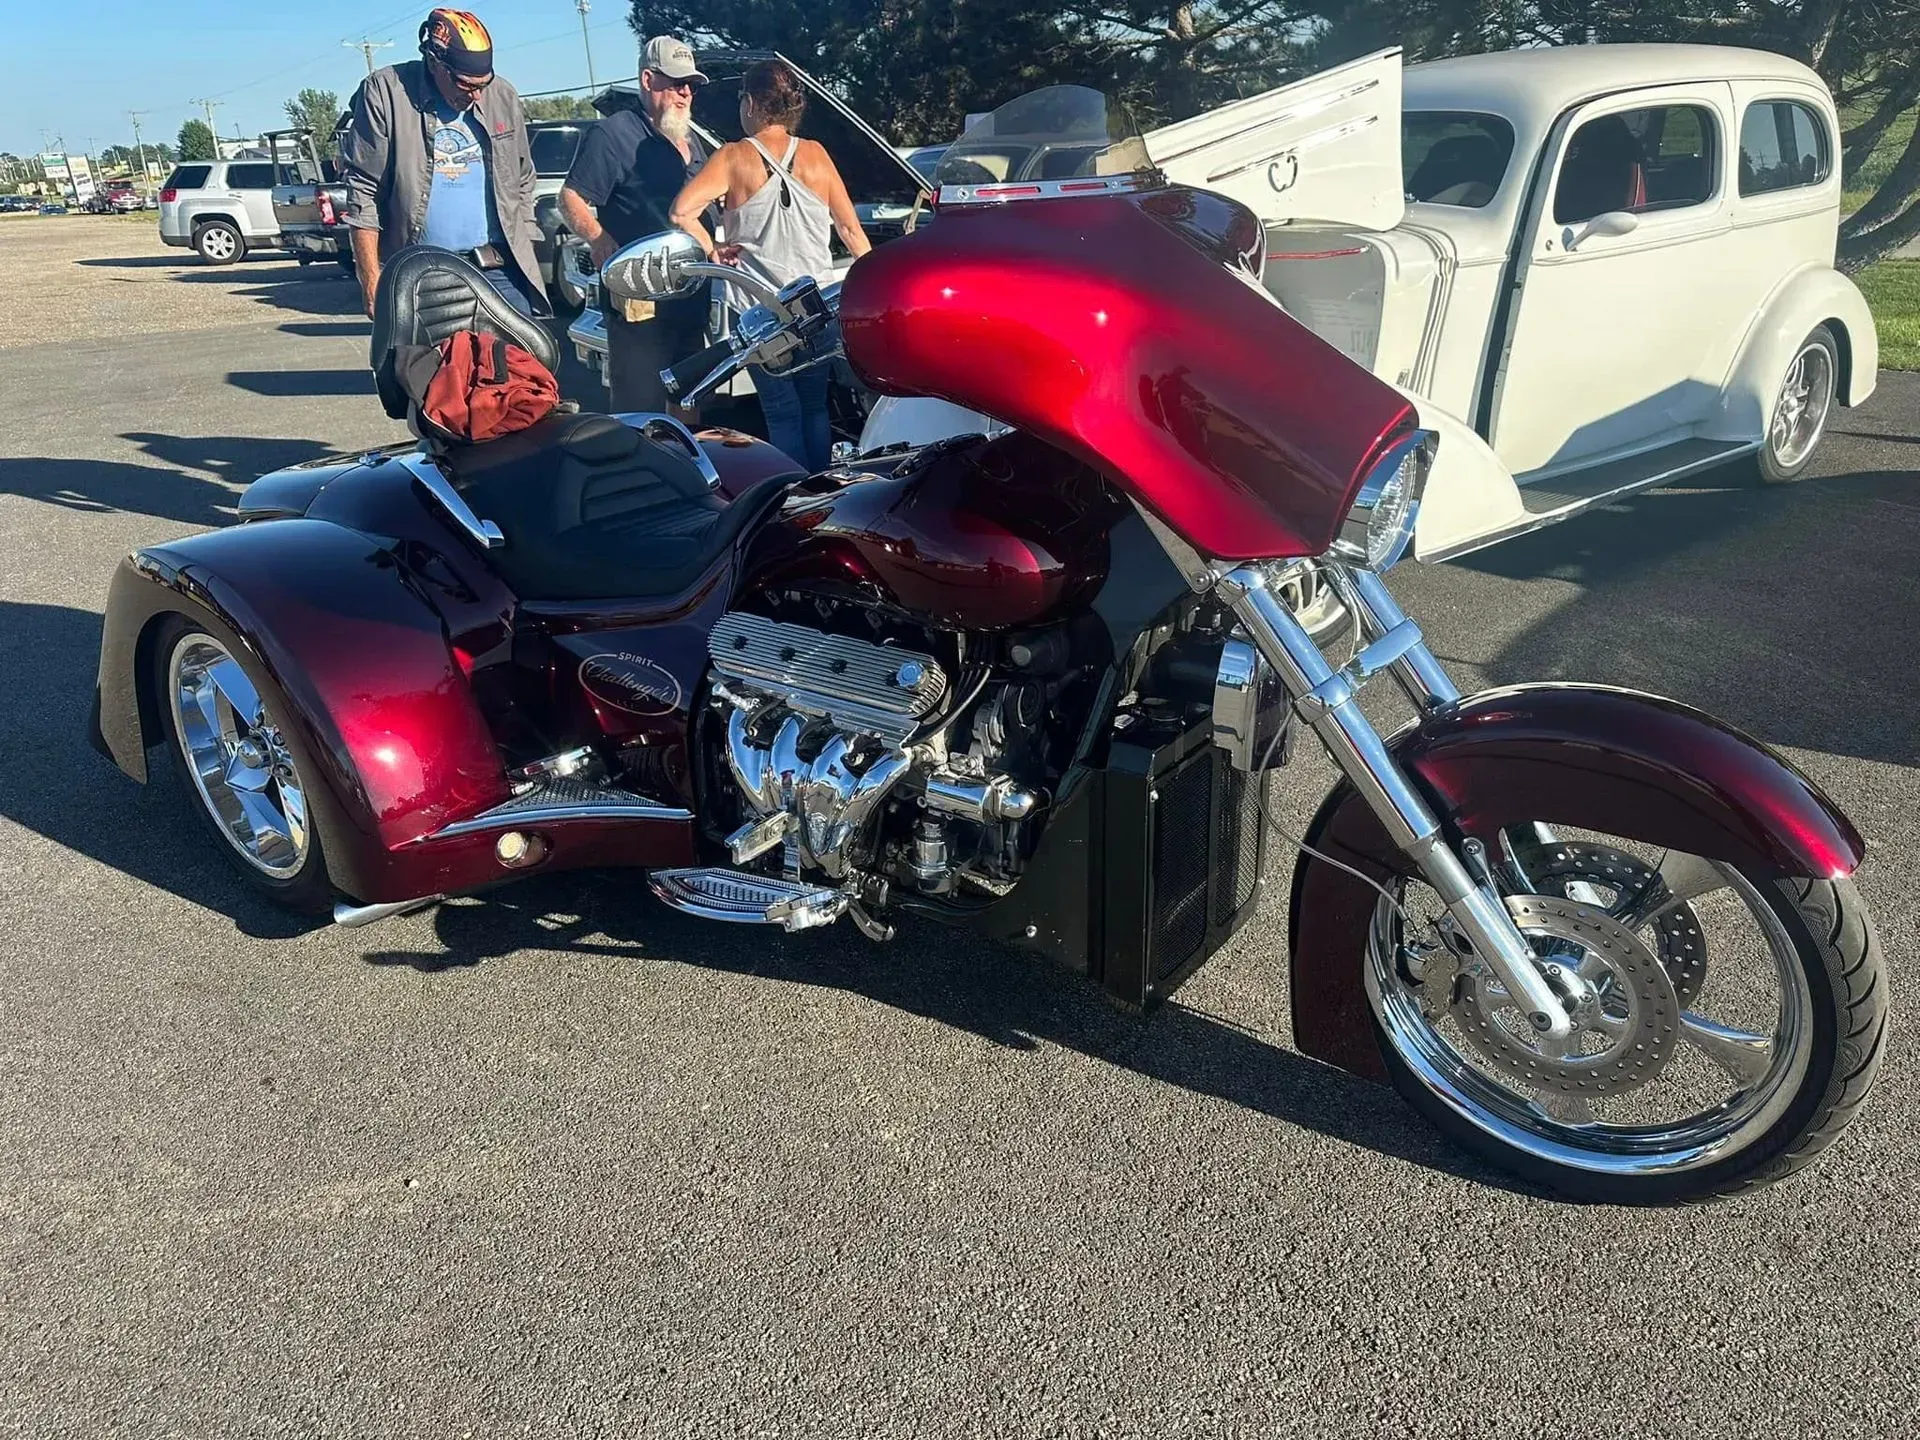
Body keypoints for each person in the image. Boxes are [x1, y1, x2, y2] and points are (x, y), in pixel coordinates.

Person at [668, 60, 871, 473]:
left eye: (743, 97)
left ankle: (793, 499)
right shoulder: (816, 155)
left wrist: (714, 248)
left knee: (781, 411)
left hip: (762, 316)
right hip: (815, 307)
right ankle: (821, 491)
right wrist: (874, 281)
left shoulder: (732, 157)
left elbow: (681, 212)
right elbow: (849, 228)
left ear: (756, 104)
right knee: (815, 406)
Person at [338, 8, 546, 319]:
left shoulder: (502, 95)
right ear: (436, 63)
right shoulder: (385, 92)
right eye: (466, 85)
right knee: (425, 368)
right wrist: (370, 278)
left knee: (519, 365)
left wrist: (526, 238)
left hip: (500, 272)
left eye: (483, 84)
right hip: (420, 275)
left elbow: (523, 177)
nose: (477, 95)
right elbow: (363, 192)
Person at [559, 36, 712, 415]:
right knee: (639, 407)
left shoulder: (692, 140)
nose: (685, 92)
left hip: (691, 298)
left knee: (689, 398)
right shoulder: (614, 134)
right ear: (647, 80)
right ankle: (640, 472)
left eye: (690, 85)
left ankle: (689, 469)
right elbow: (571, 197)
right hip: (638, 302)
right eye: (676, 83)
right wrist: (598, 238)